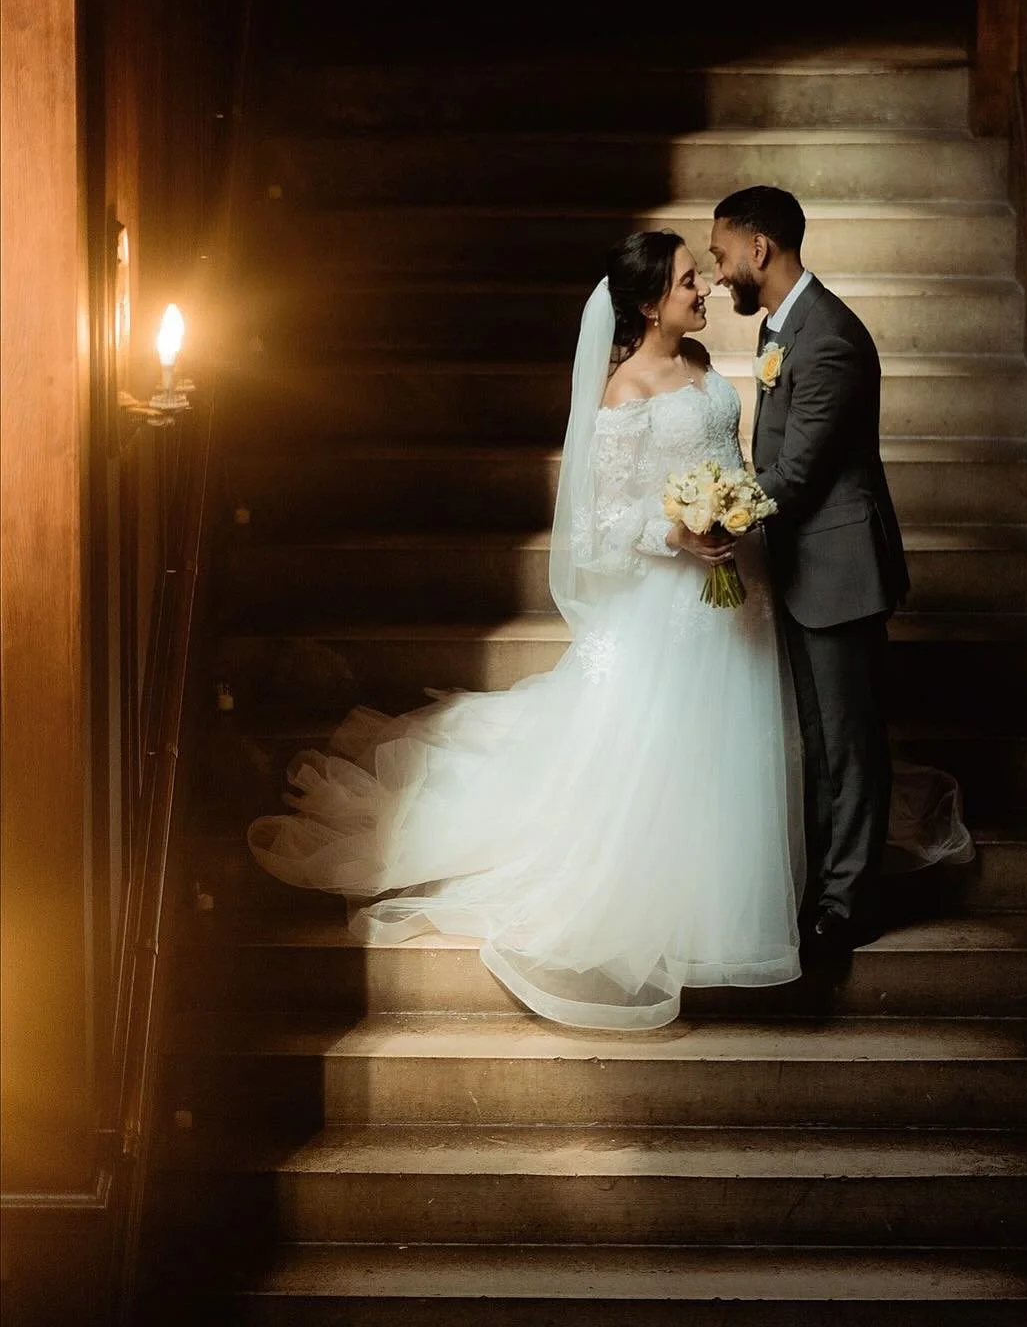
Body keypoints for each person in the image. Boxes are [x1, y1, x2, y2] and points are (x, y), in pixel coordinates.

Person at [247, 231, 803, 1030]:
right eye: (688, 281)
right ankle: (646, 901)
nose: (704, 289)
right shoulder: (623, 392)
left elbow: (726, 455)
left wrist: (738, 511)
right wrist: (679, 534)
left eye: (700, 278)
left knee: (729, 746)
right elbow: (605, 522)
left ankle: (723, 907)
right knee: (661, 749)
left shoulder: (705, 369)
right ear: (649, 304)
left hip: (735, 592)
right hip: (669, 598)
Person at [709, 185, 973, 961]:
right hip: (801, 565)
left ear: (759, 248)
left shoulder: (826, 337)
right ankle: (824, 887)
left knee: (849, 746)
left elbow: (794, 472)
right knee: (820, 743)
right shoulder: (781, 327)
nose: (721, 271)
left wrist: (713, 517)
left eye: (722, 254)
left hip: (837, 569)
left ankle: (847, 904)